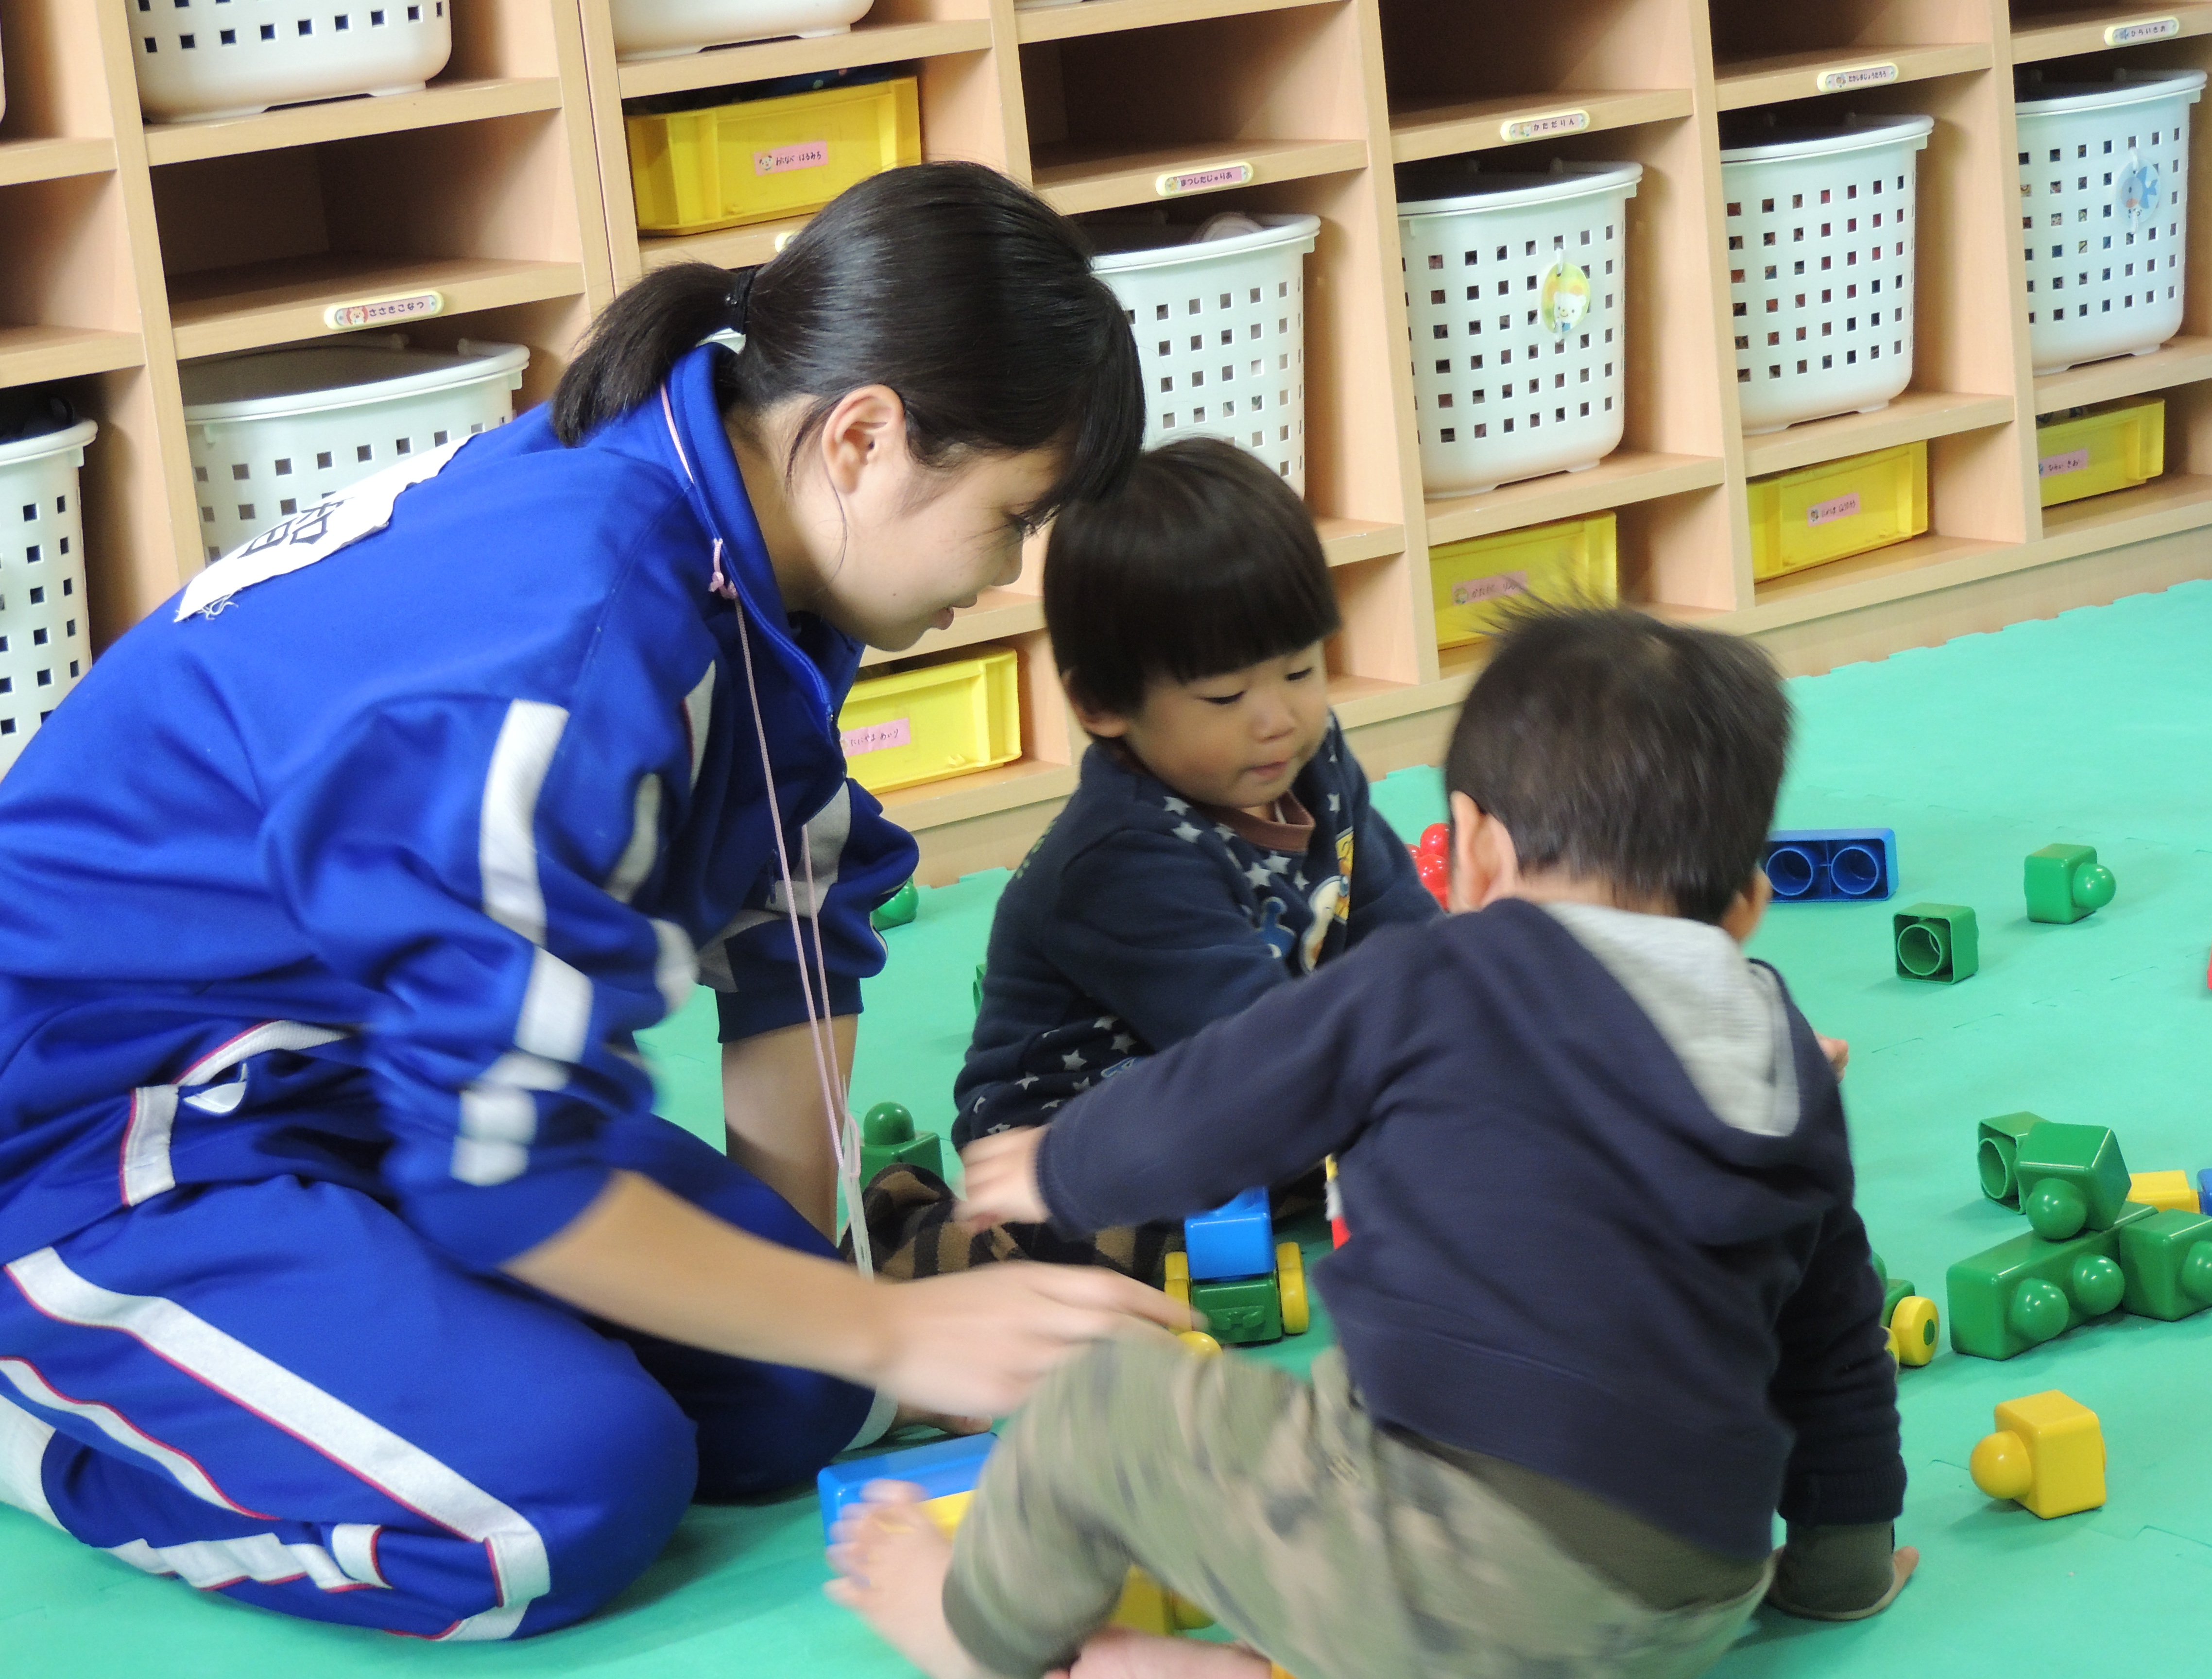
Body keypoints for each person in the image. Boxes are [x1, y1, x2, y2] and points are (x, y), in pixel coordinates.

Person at [0, 162, 1184, 1642]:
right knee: (559, 1505)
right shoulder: (573, 639)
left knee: (802, 1394)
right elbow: (498, 1170)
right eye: (1015, 518)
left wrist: (828, 1311)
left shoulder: (745, 509)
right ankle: (57, 1433)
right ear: (867, 436)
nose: (1010, 573)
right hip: (95, 1129)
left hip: (360, 1053)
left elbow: (788, 910)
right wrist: (890, 1317)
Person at [830, 606, 1916, 1679]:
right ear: (1746, 908)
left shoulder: (1443, 976)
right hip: (1695, 1598)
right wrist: (1843, 1569)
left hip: (1452, 1582)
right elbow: (1838, 1348)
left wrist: (1058, 1164)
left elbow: (1228, 1096)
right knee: (1376, 1435)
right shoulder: (1787, 1058)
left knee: (1098, 1403)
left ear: (1477, 852)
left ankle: (974, 1636)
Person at [870, 439, 1438, 1283]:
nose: (1277, 718)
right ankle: (912, 1232)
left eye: (1300, 669)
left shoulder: (1311, 762)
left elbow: (1400, 929)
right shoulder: (1124, 856)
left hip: (1260, 1090)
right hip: (1084, 1136)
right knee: (1115, 1259)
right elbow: (1255, 1057)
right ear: (1104, 705)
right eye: (1224, 696)